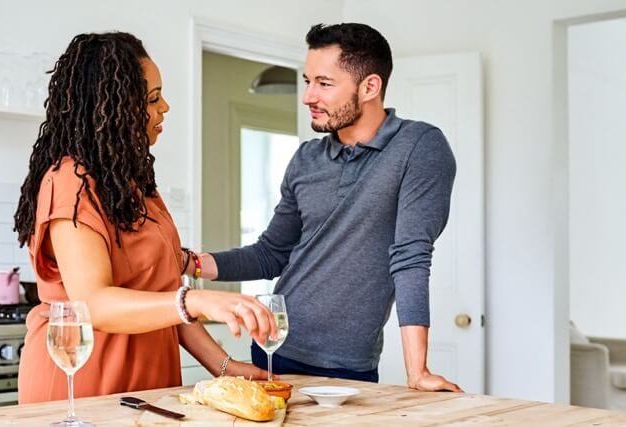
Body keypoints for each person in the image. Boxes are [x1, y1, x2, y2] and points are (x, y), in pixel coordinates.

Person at [196, 23, 461, 392]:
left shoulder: (420, 147)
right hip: (272, 349)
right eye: (307, 81)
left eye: (323, 83)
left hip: (346, 367)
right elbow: (271, 253)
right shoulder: (306, 158)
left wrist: (417, 372)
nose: (307, 96)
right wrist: (192, 263)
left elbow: (410, 256)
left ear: (370, 87)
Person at [14, 32, 276, 403]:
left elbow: (165, 293)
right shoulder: (70, 183)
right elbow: (95, 302)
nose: (165, 107)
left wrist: (225, 367)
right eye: (153, 98)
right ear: (114, 106)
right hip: (83, 388)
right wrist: (196, 301)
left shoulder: (135, 186)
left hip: (148, 390)